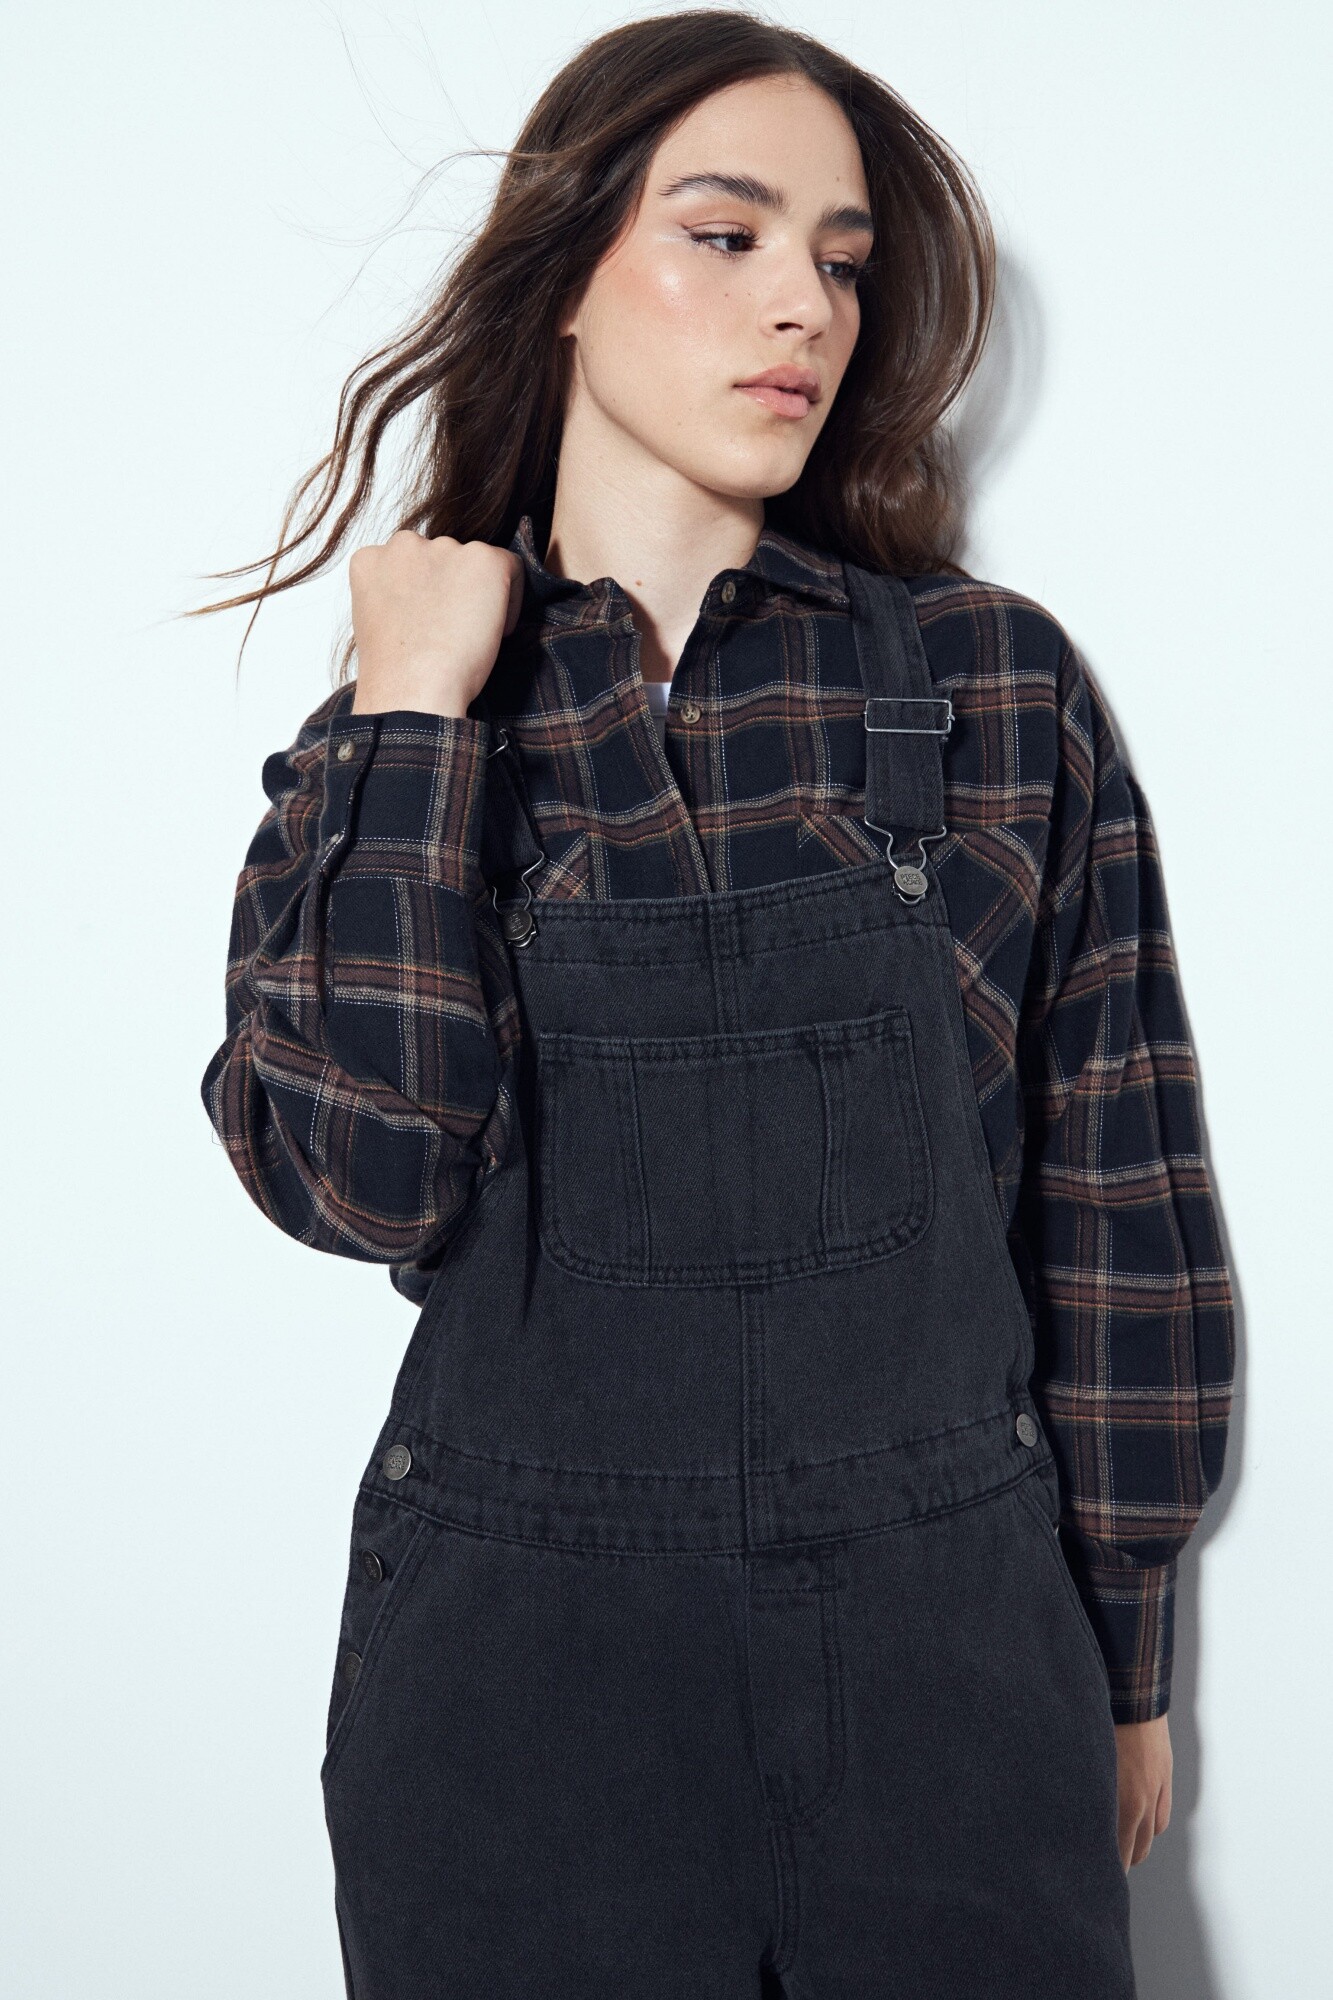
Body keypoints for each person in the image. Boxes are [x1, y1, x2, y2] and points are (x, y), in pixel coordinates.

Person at [194, 13, 1235, 1997]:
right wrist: (412, 711)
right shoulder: (399, 743)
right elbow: (363, 1176)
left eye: (840, 259)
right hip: (524, 1691)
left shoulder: (987, 686)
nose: (804, 309)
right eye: (725, 234)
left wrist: (1122, 1648)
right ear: (562, 278)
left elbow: (1118, 1197)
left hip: (951, 1672)